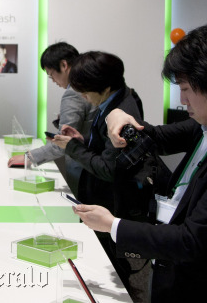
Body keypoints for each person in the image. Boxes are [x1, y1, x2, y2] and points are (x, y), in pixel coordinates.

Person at [73, 24, 207, 303]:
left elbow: (194, 242)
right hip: (172, 268)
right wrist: (115, 115)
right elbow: (151, 136)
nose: (182, 100)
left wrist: (113, 225)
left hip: (202, 287)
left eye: (188, 89)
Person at [51, 51, 149, 300]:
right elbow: (108, 151)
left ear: (104, 86)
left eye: (85, 90)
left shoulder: (121, 112)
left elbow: (108, 169)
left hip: (112, 199)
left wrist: (72, 147)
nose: (82, 96)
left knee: (111, 259)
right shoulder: (113, 101)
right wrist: (82, 140)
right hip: (105, 195)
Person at [7, 42, 95, 197]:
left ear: (64, 65)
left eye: (51, 74)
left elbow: (63, 142)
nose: (53, 80)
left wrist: (29, 157)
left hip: (84, 170)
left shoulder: (73, 92)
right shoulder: (86, 88)